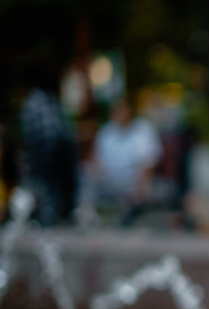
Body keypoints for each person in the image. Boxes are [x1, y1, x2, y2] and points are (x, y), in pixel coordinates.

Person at [83, 97, 162, 227]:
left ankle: (130, 216)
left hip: (134, 181)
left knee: (140, 190)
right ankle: (86, 218)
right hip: (110, 180)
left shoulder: (143, 130)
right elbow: (96, 159)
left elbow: (149, 163)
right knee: (85, 175)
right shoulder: (106, 132)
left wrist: (142, 183)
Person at [19, 66, 79, 226]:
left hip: (51, 152)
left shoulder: (45, 99)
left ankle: (57, 216)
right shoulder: (38, 100)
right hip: (47, 152)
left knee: (53, 188)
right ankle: (50, 218)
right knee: (49, 187)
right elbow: (49, 133)